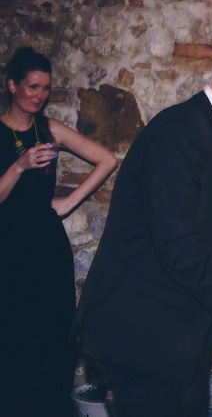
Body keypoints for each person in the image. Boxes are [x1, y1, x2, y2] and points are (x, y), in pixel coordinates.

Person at [72, 31, 212, 417]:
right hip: (145, 343)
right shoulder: (178, 132)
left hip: (174, 343)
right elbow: (180, 249)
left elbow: (207, 242)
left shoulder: (211, 135)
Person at [0, 47, 118, 416]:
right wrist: (19, 166)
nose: (39, 95)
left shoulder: (49, 129)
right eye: (32, 87)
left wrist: (68, 203)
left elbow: (108, 159)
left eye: (46, 88)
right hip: (8, 250)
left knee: (53, 341)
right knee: (14, 342)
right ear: (12, 86)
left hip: (47, 249)